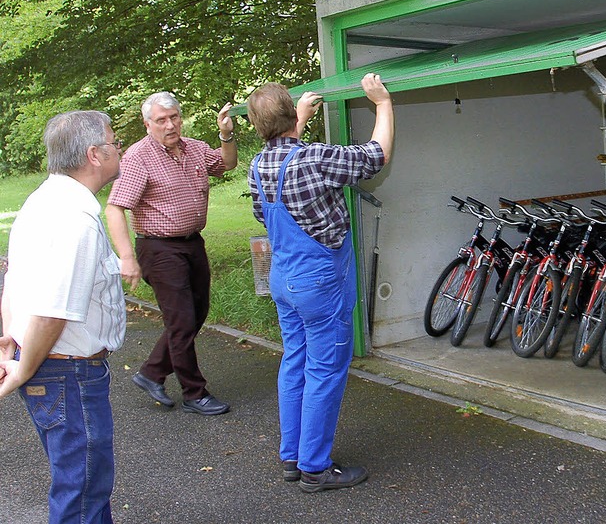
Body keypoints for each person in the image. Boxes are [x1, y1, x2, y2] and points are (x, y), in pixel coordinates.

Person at [247, 73, 395, 493]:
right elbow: (375, 155)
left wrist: (297, 120)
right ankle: (315, 467)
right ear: (291, 113)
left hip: (284, 279)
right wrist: (382, 103)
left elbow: (264, 214)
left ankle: (292, 457)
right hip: (319, 282)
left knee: (295, 361)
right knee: (325, 369)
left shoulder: (259, 164)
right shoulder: (314, 158)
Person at [0, 110, 127, 523]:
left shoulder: (43, 200)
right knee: (82, 491)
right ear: (95, 154)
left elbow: (15, 281)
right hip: (67, 373)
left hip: (51, 368)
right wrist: (21, 370)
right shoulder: (76, 217)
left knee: (82, 485)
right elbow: (53, 312)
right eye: (114, 141)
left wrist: (9, 338)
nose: (119, 148)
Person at [105, 92, 237, 415]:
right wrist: (127, 257)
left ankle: (151, 372)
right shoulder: (138, 157)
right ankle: (194, 393)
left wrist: (226, 135)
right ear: (147, 123)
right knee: (181, 319)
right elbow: (114, 208)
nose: (170, 125)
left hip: (192, 243)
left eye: (174, 117)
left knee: (197, 311)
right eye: (161, 120)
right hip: (158, 248)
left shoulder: (193, 148)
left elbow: (227, 163)